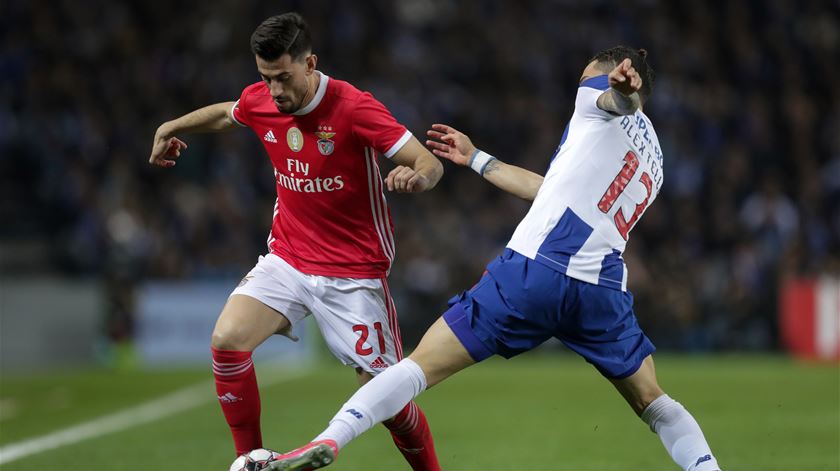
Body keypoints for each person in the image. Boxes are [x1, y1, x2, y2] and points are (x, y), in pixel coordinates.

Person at [266, 47, 723, 471]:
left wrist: (621, 91)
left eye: (589, 78)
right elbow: (553, 191)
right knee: (654, 402)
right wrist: (478, 158)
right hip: (601, 289)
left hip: (535, 270)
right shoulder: (656, 158)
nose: (582, 87)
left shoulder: (599, 94)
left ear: (607, 75)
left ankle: (330, 438)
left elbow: (615, 102)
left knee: (419, 365)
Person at [147, 12, 444, 471]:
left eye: (284, 77)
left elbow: (427, 162)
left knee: (388, 400)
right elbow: (230, 113)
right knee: (227, 340)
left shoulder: (353, 106)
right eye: (266, 79)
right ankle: (250, 461)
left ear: (311, 63)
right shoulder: (262, 100)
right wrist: (173, 126)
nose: (275, 91)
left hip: (353, 274)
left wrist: (416, 177)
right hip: (287, 258)